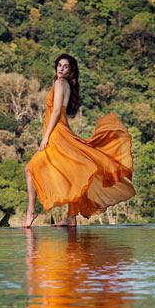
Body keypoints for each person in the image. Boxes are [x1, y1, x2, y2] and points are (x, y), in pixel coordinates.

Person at [22, 53, 136, 228]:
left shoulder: (61, 83)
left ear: (70, 70)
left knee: (30, 169)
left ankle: (31, 211)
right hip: (61, 131)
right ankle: (71, 217)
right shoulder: (63, 83)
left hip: (56, 134)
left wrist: (46, 136)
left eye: (65, 66)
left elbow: (56, 111)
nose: (61, 68)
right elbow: (62, 114)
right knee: (73, 172)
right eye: (59, 65)